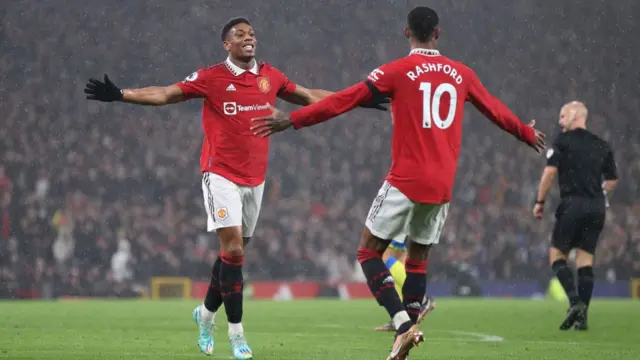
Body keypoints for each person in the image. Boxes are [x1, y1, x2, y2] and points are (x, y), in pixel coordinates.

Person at [250, 6, 545, 359]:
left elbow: (343, 101)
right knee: (417, 261)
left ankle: (404, 325)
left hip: (406, 179)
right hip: (442, 185)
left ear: (407, 33)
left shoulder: (395, 71)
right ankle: (406, 337)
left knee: (368, 252)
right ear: (438, 33)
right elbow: (495, 109)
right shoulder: (461, 73)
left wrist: (293, 120)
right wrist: (526, 132)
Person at [83, 17, 387, 359]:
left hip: (255, 179)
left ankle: (205, 314)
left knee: (232, 257)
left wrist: (356, 99)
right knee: (235, 253)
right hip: (220, 174)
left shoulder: (270, 76)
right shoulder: (211, 77)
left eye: (252, 34)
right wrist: (122, 94)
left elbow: (309, 96)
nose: (248, 38)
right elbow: (166, 94)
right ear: (226, 44)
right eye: (239, 35)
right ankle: (237, 333)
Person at [533, 101, 618, 331]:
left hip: (573, 205)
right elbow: (612, 180)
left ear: (575, 116)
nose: (560, 121)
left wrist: (539, 201)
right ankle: (583, 319)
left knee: (556, 255)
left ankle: (575, 302)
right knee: (585, 259)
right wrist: (598, 193)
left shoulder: (563, 141)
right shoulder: (602, 145)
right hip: (597, 207)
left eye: (563, 116)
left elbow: (550, 172)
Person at [374, 236, 435, 332]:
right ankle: (402, 316)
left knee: (386, 258)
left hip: (395, 223)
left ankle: (423, 300)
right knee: (399, 259)